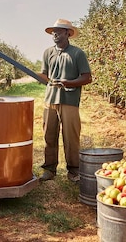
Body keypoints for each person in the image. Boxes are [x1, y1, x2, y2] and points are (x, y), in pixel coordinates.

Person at [37, 19, 92, 183]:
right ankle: (49, 169)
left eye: (59, 31)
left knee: (71, 137)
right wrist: (36, 76)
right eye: (54, 31)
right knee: (49, 135)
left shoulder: (77, 53)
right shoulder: (48, 53)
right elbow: (45, 76)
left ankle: (74, 170)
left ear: (68, 33)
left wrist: (69, 83)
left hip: (69, 100)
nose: (55, 34)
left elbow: (87, 78)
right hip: (50, 100)